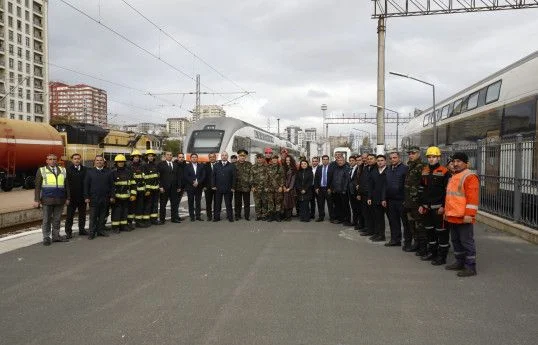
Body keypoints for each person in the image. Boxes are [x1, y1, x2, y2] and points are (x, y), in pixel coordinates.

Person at [444, 152, 479, 277]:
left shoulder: (469, 177)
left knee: (466, 242)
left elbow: (472, 199)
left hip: (464, 217)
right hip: (453, 215)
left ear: (466, 163)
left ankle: (470, 267)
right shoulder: (454, 176)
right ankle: (459, 262)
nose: (455, 163)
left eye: (459, 161)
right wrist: (447, 212)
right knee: (456, 241)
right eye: (454, 161)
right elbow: (451, 198)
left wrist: (469, 214)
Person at [418, 146, 450, 265]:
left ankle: (442, 257)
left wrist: (443, 206)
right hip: (427, 208)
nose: (431, 159)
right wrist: (421, 204)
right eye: (429, 157)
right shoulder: (425, 170)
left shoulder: (445, 172)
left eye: (434, 157)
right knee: (429, 231)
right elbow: (421, 188)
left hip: (439, 209)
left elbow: (447, 191)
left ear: (439, 157)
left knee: (441, 232)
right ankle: (433, 253)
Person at [33, 154, 70, 246]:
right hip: (47, 199)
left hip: (60, 199)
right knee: (46, 219)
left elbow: (67, 186)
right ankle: (46, 237)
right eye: (50, 159)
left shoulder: (63, 170)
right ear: (47, 161)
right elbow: (37, 187)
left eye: (54, 159)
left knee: (57, 219)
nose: (52, 161)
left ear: (57, 160)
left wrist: (68, 197)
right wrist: (36, 200)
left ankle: (56, 236)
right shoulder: (41, 170)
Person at [84, 155, 113, 239]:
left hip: (105, 198)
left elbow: (112, 185)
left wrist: (112, 196)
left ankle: (100, 231)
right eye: (97, 160)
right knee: (93, 217)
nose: (99, 162)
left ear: (103, 162)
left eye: (101, 160)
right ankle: (92, 233)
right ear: (94, 162)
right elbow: (86, 185)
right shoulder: (90, 172)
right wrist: (86, 197)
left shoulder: (108, 172)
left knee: (102, 216)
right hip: (94, 198)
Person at [403, 146, 425, 253]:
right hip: (409, 201)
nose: (411, 155)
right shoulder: (410, 166)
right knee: (412, 224)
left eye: (413, 153)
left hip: (417, 201)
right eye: (409, 153)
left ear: (419, 154)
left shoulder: (422, 166)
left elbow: (423, 185)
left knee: (419, 224)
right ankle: (416, 243)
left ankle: (422, 246)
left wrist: (421, 202)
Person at [385, 151, 409, 247]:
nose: (392, 160)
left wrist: (405, 200)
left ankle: (407, 242)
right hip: (390, 200)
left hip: (401, 200)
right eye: (390, 158)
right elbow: (385, 184)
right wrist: (384, 198)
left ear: (399, 158)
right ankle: (395, 240)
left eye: (394, 158)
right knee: (393, 221)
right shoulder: (389, 169)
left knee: (405, 223)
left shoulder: (405, 169)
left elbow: (406, 186)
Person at [110, 154, 135, 233]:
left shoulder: (128, 172)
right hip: (116, 197)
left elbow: (133, 183)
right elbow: (111, 186)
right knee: (116, 212)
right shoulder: (113, 172)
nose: (121, 163)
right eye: (119, 162)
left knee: (125, 211)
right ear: (116, 163)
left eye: (122, 162)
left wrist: (133, 194)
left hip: (126, 196)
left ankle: (123, 226)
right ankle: (115, 227)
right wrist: (112, 197)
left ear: (124, 162)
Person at [65, 153, 87, 238]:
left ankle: (82, 230)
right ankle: (68, 232)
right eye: (75, 159)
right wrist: (67, 197)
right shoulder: (67, 170)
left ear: (80, 159)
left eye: (78, 158)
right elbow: (66, 185)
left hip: (82, 197)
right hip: (72, 197)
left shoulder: (85, 170)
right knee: (70, 216)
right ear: (72, 160)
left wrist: (86, 196)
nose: (77, 160)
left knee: (82, 215)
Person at [368, 155, 388, 242]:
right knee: (377, 218)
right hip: (375, 198)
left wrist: (384, 198)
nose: (380, 162)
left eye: (382, 160)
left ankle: (395, 237)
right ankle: (379, 234)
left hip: (386, 199)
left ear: (385, 161)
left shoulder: (389, 171)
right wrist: (369, 197)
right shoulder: (374, 171)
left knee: (391, 219)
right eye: (378, 160)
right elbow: (370, 186)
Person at [212, 152, 237, 222]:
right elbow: (213, 176)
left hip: (228, 188)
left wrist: (233, 187)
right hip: (218, 188)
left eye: (225, 155)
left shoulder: (232, 166)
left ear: (227, 156)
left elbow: (234, 177)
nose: (224, 156)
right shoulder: (216, 165)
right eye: (222, 155)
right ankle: (216, 217)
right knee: (217, 204)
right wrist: (213, 185)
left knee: (228, 204)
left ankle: (230, 217)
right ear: (221, 156)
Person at [158, 151, 182, 224]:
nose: (169, 156)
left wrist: (179, 186)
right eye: (168, 155)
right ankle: (162, 219)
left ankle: (174, 218)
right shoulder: (161, 164)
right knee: (163, 204)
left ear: (172, 156)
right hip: (164, 188)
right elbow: (159, 177)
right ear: (165, 156)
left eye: (171, 155)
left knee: (174, 204)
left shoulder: (175, 165)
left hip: (174, 188)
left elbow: (178, 176)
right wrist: (160, 186)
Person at [183, 153, 206, 221]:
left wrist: (198, 182)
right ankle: (192, 216)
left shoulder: (201, 166)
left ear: (197, 158)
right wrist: (192, 182)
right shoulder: (187, 166)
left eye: (195, 157)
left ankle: (198, 216)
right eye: (193, 157)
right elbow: (186, 176)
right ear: (190, 158)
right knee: (191, 202)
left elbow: (203, 175)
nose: (194, 158)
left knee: (198, 202)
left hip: (198, 186)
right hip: (190, 187)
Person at [128, 150, 148, 229]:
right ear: (132, 157)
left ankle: (138, 222)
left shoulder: (142, 166)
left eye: (138, 157)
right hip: (132, 190)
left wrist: (146, 189)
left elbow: (145, 178)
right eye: (135, 157)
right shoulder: (129, 166)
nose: (136, 158)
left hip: (141, 190)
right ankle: (129, 222)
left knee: (140, 206)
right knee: (131, 207)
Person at [358, 154, 377, 237]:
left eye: (371, 159)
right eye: (368, 159)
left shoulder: (376, 169)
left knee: (372, 214)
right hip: (364, 194)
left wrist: (370, 195)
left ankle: (373, 231)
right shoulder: (366, 168)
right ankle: (368, 228)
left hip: (371, 195)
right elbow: (361, 181)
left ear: (375, 160)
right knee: (366, 213)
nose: (369, 160)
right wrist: (359, 193)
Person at [331, 155, 352, 225]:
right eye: (338, 161)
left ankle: (347, 219)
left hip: (343, 191)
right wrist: (333, 188)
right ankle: (340, 218)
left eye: (341, 160)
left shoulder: (347, 168)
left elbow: (347, 180)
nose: (340, 162)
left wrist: (344, 189)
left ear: (344, 161)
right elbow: (334, 179)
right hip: (336, 190)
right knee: (338, 206)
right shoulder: (336, 168)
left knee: (345, 206)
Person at [143, 149, 160, 226]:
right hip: (148, 190)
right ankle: (147, 220)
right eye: (149, 156)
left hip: (156, 189)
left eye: (152, 156)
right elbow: (145, 179)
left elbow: (158, 177)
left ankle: (154, 219)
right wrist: (147, 189)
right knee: (148, 205)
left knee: (155, 204)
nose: (151, 157)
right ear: (146, 157)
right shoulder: (144, 166)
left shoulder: (156, 165)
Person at [234, 149, 252, 220]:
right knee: (237, 203)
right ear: (238, 156)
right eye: (241, 156)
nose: (242, 157)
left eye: (243, 156)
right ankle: (237, 215)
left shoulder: (249, 164)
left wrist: (251, 186)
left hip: (246, 187)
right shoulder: (234, 165)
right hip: (237, 187)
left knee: (247, 203)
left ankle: (247, 216)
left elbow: (251, 176)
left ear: (246, 157)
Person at [314, 155, 333, 222]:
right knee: (320, 204)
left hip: (328, 189)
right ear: (322, 160)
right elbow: (316, 178)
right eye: (324, 159)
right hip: (320, 189)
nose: (325, 160)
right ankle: (321, 217)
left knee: (330, 204)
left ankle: (332, 218)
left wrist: (330, 188)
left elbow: (333, 179)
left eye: (326, 159)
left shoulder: (331, 168)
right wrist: (316, 188)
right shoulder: (319, 168)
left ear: (328, 160)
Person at [266, 154, 284, 222]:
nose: (274, 160)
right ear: (271, 160)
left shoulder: (280, 167)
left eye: (276, 159)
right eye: (273, 159)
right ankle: (271, 216)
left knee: (278, 202)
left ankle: (277, 216)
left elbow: (282, 178)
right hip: (270, 188)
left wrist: (281, 186)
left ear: (277, 160)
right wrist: (266, 187)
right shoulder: (268, 167)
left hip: (278, 188)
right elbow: (266, 178)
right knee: (270, 202)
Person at [251, 153, 269, 220]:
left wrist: (267, 187)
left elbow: (268, 178)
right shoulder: (253, 167)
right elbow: (251, 177)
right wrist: (252, 186)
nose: (259, 159)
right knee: (257, 202)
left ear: (263, 159)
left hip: (264, 188)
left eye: (260, 158)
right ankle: (258, 215)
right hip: (256, 188)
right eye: (258, 158)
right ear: (256, 159)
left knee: (264, 202)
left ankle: (264, 215)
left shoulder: (266, 167)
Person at [282, 155, 297, 221]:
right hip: (284, 187)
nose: (287, 161)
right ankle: (285, 216)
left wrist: (289, 188)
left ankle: (289, 216)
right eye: (286, 160)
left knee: (290, 202)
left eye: (289, 160)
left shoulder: (293, 169)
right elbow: (282, 178)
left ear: (291, 161)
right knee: (284, 202)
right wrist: (284, 186)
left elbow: (293, 180)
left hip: (290, 188)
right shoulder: (283, 168)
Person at [348, 155, 361, 229]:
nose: (351, 162)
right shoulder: (350, 169)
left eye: (353, 160)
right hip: (351, 191)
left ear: (356, 161)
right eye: (350, 161)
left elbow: (356, 180)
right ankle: (355, 221)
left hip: (356, 191)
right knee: (353, 207)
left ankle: (358, 223)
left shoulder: (358, 169)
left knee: (357, 208)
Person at [203, 153, 217, 221]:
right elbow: (203, 177)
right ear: (209, 158)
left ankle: (216, 216)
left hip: (217, 187)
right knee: (208, 203)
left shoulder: (219, 165)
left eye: (213, 157)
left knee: (216, 202)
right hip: (207, 187)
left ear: (215, 157)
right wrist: (204, 186)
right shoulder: (205, 165)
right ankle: (209, 216)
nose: (212, 158)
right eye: (210, 157)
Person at [175, 152, 188, 220]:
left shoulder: (185, 165)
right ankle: (175, 216)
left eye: (182, 157)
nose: (181, 158)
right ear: (177, 158)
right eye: (180, 157)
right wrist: (178, 186)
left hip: (182, 187)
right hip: (177, 187)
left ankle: (176, 216)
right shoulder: (175, 165)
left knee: (178, 202)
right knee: (175, 202)